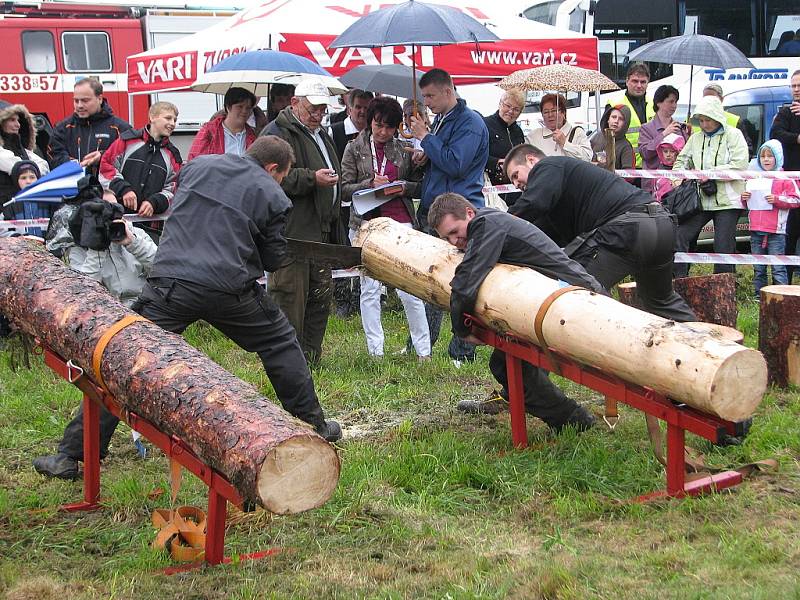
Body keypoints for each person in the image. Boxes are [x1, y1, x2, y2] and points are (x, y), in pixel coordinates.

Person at [134, 136, 341, 441]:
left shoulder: (196, 167)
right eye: (282, 176)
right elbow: (272, 260)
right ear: (272, 168)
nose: (281, 183)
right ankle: (314, 426)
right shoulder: (273, 195)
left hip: (170, 282)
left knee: (127, 354)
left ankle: (73, 451)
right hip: (227, 288)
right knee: (281, 342)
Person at [428, 192, 601, 429]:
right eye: (447, 237)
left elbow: (466, 283)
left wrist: (461, 329)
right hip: (559, 297)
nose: (454, 241)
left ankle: (571, 419)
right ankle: (571, 419)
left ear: (469, 213)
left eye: (455, 232)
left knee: (509, 366)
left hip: (578, 298)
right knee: (509, 363)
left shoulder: (486, 225)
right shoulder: (487, 222)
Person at [32, 203, 158, 480]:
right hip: (106, 324)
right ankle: (72, 452)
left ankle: (70, 454)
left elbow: (161, 266)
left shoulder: (132, 235)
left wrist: (131, 242)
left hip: (148, 316)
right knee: (107, 387)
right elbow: (83, 293)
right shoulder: (80, 250)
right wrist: (95, 251)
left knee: (107, 388)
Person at [503, 144, 696, 323]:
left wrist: (500, 224)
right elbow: (542, 233)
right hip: (661, 225)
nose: (516, 184)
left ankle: (613, 341)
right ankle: (708, 344)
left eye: (515, 175)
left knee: (570, 289)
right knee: (661, 301)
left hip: (628, 229)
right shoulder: (561, 190)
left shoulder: (548, 165)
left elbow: (534, 203)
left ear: (531, 160)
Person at [408, 68, 489, 363]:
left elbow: (456, 164)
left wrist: (427, 139)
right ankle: (422, 341)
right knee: (428, 278)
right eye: (424, 96)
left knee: (461, 283)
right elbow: (443, 161)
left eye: (430, 95)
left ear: (448, 91)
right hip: (436, 210)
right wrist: (424, 156)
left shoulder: (471, 123)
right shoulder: (443, 121)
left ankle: (462, 350)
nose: (426, 101)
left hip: (458, 215)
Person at [341, 97, 430, 359]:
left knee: (409, 289)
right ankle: (375, 352)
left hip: (400, 222)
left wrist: (403, 185)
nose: (383, 132)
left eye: (389, 127)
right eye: (378, 125)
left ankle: (423, 351)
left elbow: (419, 185)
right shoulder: (353, 148)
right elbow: (344, 187)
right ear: (369, 122)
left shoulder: (404, 150)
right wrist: (369, 183)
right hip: (365, 224)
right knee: (369, 289)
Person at [262, 78, 342, 365]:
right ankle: (286, 362)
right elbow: (271, 175)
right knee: (289, 298)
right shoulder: (276, 133)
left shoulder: (320, 132)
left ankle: (310, 358)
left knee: (319, 298)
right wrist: (313, 178)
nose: (318, 116)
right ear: (294, 103)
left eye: (322, 110)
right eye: (313, 110)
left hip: (318, 232)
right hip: (292, 234)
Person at [672, 96, 749, 277]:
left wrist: (711, 174)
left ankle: (723, 290)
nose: (704, 124)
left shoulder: (734, 135)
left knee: (722, 246)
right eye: (701, 120)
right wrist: (678, 177)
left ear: (717, 117)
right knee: (680, 236)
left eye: (707, 119)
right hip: (700, 199)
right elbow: (681, 161)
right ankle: (679, 283)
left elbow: (740, 164)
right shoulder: (695, 139)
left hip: (728, 201)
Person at [99, 101, 182, 232]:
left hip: (151, 227)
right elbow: (106, 167)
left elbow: (173, 189)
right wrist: (124, 190)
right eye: (168, 118)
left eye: (175, 120)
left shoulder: (173, 155)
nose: (172, 123)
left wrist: (154, 203)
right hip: (117, 222)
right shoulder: (126, 141)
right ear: (152, 117)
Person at [741, 140, 800, 298]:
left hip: (776, 232)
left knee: (778, 268)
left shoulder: (785, 178)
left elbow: (796, 200)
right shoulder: (754, 178)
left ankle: (783, 299)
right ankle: (758, 299)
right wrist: (744, 198)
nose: (766, 159)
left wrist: (777, 199)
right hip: (755, 231)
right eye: (762, 156)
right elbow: (747, 204)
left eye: (770, 156)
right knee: (758, 269)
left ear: (778, 157)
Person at [49, 79, 131, 169]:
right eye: (76, 101)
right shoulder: (62, 128)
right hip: (73, 182)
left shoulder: (121, 128)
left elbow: (131, 157)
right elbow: (54, 155)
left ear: (99, 99)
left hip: (108, 182)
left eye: (85, 100)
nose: (80, 105)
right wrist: (74, 165)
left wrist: (103, 156)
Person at [770, 69, 800, 282]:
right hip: (790, 181)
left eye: (799, 86)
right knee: (789, 234)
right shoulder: (785, 112)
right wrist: (796, 138)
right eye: (793, 86)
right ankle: (786, 284)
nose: (796, 90)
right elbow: (775, 133)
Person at [638, 85, 691, 196]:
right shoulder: (646, 128)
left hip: (677, 186)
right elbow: (645, 153)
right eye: (670, 101)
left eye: (676, 102)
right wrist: (664, 134)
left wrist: (690, 136)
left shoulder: (680, 128)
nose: (674, 105)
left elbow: (687, 155)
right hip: (653, 187)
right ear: (659, 103)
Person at [0, 104, 50, 219]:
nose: (17, 125)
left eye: (18, 121)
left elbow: (44, 166)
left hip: (23, 210)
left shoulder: (21, 147)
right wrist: (31, 169)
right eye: (12, 120)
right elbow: (15, 166)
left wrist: (29, 167)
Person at [605, 62, 654, 167]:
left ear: (648, 83)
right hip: (623, 163)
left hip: (649, 166)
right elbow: (606, 136)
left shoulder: (655, 105)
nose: (639, 85)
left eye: (643, 82)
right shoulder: (614, 103)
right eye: (635, 81)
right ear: (627, 81)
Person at [187, 87, 257, 161]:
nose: (244, 111)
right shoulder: (209, 131)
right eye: (240, 106)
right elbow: (194, 162)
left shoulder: (252, 135)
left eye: (248, 108)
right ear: (228, 107)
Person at [484, 89, 526, 206]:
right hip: (492, 190)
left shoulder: (518, 131)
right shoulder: (485, 125)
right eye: (508, 106)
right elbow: (475, 156)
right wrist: (497, 163)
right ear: (500, 103)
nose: (511, 111)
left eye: (516, 109)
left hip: (516, 191)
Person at [527, 93, 593, 162]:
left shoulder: (577, 133)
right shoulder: (533, 136)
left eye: (554, 111)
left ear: (563, 113)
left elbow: (587, 158)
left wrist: (565, 144)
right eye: (546, 112)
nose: (550, 115)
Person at [702, 84, 753, 156]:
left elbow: (746, 151)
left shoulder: (735, 121)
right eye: (706, 98)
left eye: (713, 98)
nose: (709, 101)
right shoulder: (693, 120)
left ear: (721, 99)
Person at [330, 89, 373, 161]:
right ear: (350, 109)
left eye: (366, 108)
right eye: (358, 107)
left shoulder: (374, 132)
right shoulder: (334, 132)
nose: (363, 111)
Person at [590, 105, 635, 170]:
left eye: (621, 119)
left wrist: (600, 166)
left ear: (625, 124)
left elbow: (629, 176)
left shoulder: (626, 147)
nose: (616, 121)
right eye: (614, 117)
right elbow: (585, 158)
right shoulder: (597, 137)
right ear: (608, 119)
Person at [651, 133, 686, 202]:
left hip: (679, 208)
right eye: (665, 151)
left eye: (672, 151)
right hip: (662, 208)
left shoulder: (685, 172)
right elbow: (654, 193)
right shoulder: (658, 172)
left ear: (679, 152)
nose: (668, 155)